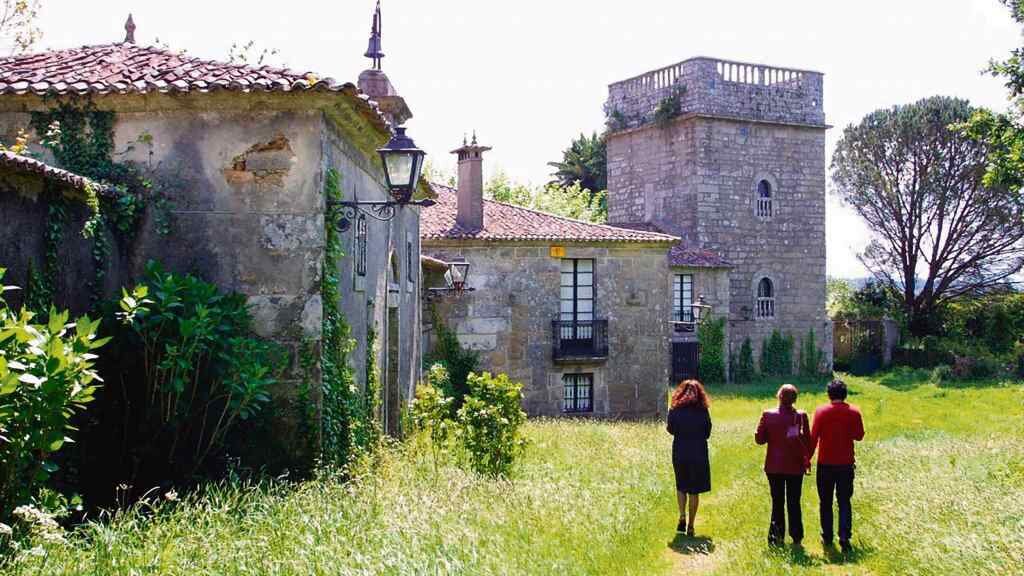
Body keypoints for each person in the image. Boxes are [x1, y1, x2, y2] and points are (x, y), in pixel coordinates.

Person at [809, 379, 865, 553]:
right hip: (845, 463)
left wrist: (806, 459)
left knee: (825, 501)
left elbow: (813, 437)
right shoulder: (854, 412)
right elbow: (859, 436)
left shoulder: (821, 412)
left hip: (825, 463)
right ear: (845, 394)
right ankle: (844, 537)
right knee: (844, 501)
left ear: (829, 394)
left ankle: (827, 536)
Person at [755, 384, 811, 547]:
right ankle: (797, 536)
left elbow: (760, 439)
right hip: (795, 465)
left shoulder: (767, 415)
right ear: (795, 399)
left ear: (779, 396)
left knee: (777, 501)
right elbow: (807, 441)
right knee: (794, 501)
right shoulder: (801, 416)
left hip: (774, 465)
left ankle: (776, 536)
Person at [666, 379, 712, 536]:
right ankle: (691, 525)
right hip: (698, 452)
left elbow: (670, 429)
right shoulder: (703, 410)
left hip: (680, 451)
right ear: (700, 394)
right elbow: (707, 432)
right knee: (694, 490)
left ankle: (682, 516)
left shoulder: (675, 409)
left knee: (681, 486)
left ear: (681, 392)